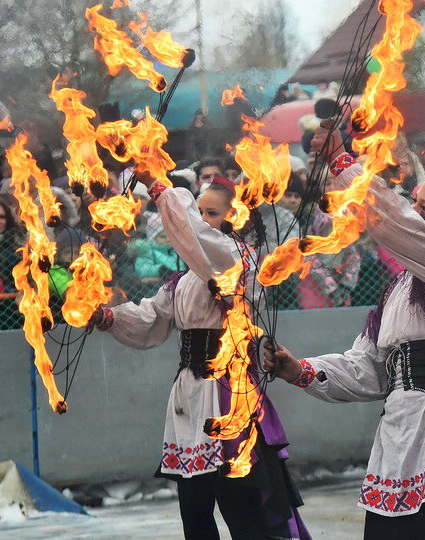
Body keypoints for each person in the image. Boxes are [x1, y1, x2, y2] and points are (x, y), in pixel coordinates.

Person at [264, 124, 425, 539]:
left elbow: (392, 221)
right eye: (414, 203)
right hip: (400, 434)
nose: (415, 214)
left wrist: (342, 162)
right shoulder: (400, 287)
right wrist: (300, 370)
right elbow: (368, 370)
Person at [89, 176, 309, 540]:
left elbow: (201, 241)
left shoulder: (239, 260)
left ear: (234, 218)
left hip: (226, 394)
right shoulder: (182, 279)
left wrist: (161, 189)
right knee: (194, 510)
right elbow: (152, 318)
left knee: (240, 510)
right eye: (199, 212)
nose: (203, 220)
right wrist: (107, 317)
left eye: (212, 213)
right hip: (189, 396)